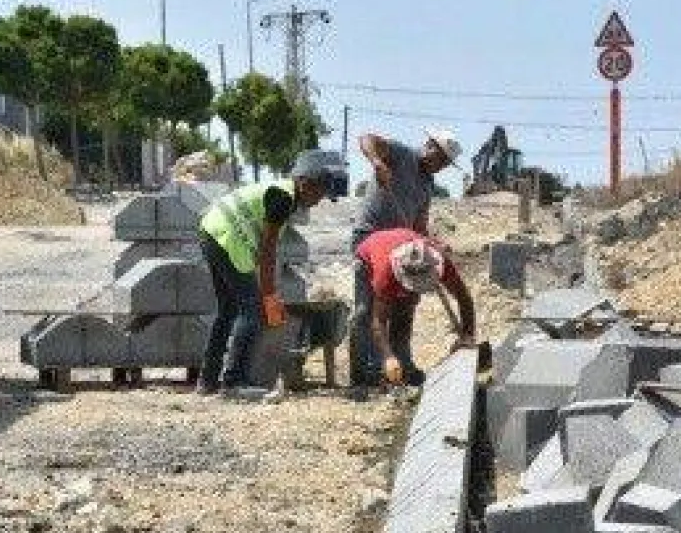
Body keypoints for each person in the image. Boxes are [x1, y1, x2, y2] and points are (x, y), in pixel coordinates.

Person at [195, 152, 337, 395]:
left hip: (212, 231)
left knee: (228, 310)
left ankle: (207, 381)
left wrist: (268, 291)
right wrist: (269, 296)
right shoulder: (283, 197)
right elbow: (268, 250)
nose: (318, 200)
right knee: (252, 309)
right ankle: (233, 382)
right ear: (304, 182)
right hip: (225, 237)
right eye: (318, 193)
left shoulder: (281, 192)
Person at [349, 128, 464, 384]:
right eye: (440, 158)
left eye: (445, 163)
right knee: (367, 310)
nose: (441, 166)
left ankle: (401, 365)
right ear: (429, 146)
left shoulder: (427, 184)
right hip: (369, 239)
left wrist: (431, 244)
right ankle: (364, 372)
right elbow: (367, 139)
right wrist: (378, 162)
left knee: (406, 306)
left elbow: (419, 225)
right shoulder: (401, 155)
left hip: (403, 248)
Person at [356, 228, 476, 387]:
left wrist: (467, 335)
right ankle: (370, 372)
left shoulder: (440, 261)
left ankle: (404, 366)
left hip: (399, 245)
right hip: (367, 257)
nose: (413, 290)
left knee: (405, 312)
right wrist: (388, 356)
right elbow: (379, 321)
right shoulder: (385, 274)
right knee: (365, 315)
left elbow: (464, 298)